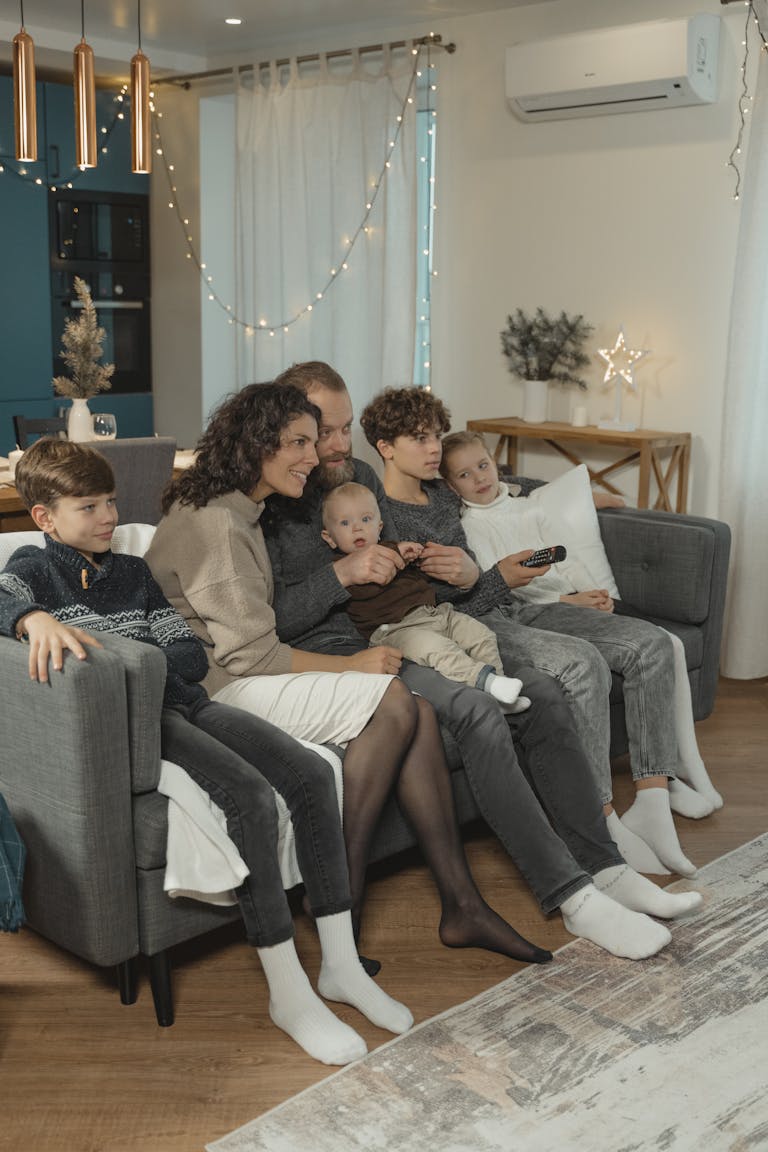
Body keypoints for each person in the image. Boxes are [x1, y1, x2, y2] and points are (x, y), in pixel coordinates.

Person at [263, 361, 701, 957]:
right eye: (324, 433)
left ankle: (606, 866)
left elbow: (413, 583)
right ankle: (573, 897)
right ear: (287, 430)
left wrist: (470, 574)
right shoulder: (272, 503)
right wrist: (341, 574)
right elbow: (270, 623)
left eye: (345, 429)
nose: (340, 445)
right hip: (350, 654)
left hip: (407, 627)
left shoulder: (358, 476)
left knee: (542, 691)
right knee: (478, 711)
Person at [0, 436, 414, 1066]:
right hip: (144, 724)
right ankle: (289, 993)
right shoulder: (35, 570)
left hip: (188, 702)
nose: (109, 516)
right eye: (89, 507)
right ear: (45, 518)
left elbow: (190, 658)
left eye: (110, 501)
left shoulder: (133, 572)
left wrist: (129, 655)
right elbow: (3, 597)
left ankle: (341, 966)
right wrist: (33, 620)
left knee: (308, 770)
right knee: (248, 793)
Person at [146, 381, 559, 969]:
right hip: (216, 690)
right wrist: (351, 665)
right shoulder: (216, 524)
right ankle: (345, 905)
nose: (314, 455)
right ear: (256, 443)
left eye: (314, 440)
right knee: (395, 700)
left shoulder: (242, 510)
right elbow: (249, 656)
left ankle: (459, 904)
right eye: (299, 442)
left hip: (242, 669)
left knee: (415, 709)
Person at [359, 386, 703, 879]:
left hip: (492, 608)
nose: (434, 448)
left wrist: (581, 500)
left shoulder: (442, 493)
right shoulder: (374, 513)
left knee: (650, 642)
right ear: (385, 447)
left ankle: (652, 800)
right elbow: (418, 608)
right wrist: (483, 578)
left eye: (436, 436)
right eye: (420, 438)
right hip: (458, 626)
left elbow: (507, 488)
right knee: (581, 663)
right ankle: (601, 819)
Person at [440, 430, 723, 814]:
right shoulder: (470, 525)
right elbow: (506, 589)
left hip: (575, 599)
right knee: (646, 647)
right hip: (542, 607)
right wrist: (568, 600)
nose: (479, 478)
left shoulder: (529, 508)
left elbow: (567, 558)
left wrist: (595, 593)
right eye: (464, 475)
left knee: (664, 642)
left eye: (483, 465)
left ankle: (668, 772)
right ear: (450, 485)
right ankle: (638, 789)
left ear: (495, 464)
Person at [321, 481, 529, 709]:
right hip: (395, 630)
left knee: (482, 635)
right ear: (329, 537)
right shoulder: (341, 568)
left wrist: (416, 559)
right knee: (440, 650)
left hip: (435, 613)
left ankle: (500, 694)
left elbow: (419, 582)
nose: (357, 528)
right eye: (345, 523)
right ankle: (487, 681)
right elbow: (367, 588)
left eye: (365, 519)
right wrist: (395, 554)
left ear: (379, 527)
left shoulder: (392, 547)